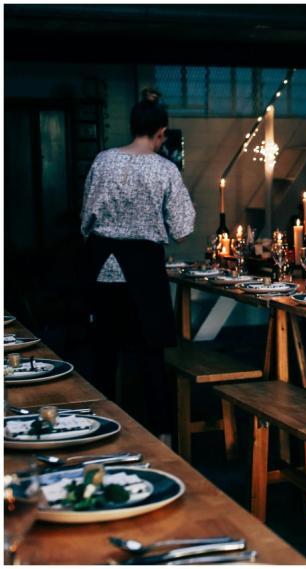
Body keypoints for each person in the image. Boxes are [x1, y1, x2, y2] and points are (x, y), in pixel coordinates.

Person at [81, 90, 195, 439]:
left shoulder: (103, 160)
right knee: (150, 360)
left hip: (103, 269)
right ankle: (161, 436)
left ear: (133, 127)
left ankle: (95, 433)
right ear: (161, 132)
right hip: (144, 272)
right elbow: (182, 228)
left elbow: (86, 218)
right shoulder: (165, 169)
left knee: (103, 357)